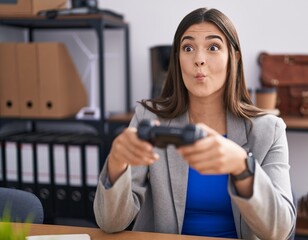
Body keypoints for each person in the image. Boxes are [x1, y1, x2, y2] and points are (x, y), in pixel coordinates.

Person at [94, 7, 296, 240]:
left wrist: (243, 167)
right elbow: (110, 223)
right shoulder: (148, 118)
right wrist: (117, 165)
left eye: (213, 47)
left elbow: (280, 231)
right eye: (188, 48)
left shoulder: (268, 130)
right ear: (177, 59)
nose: (199, 59)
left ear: (234, 57)